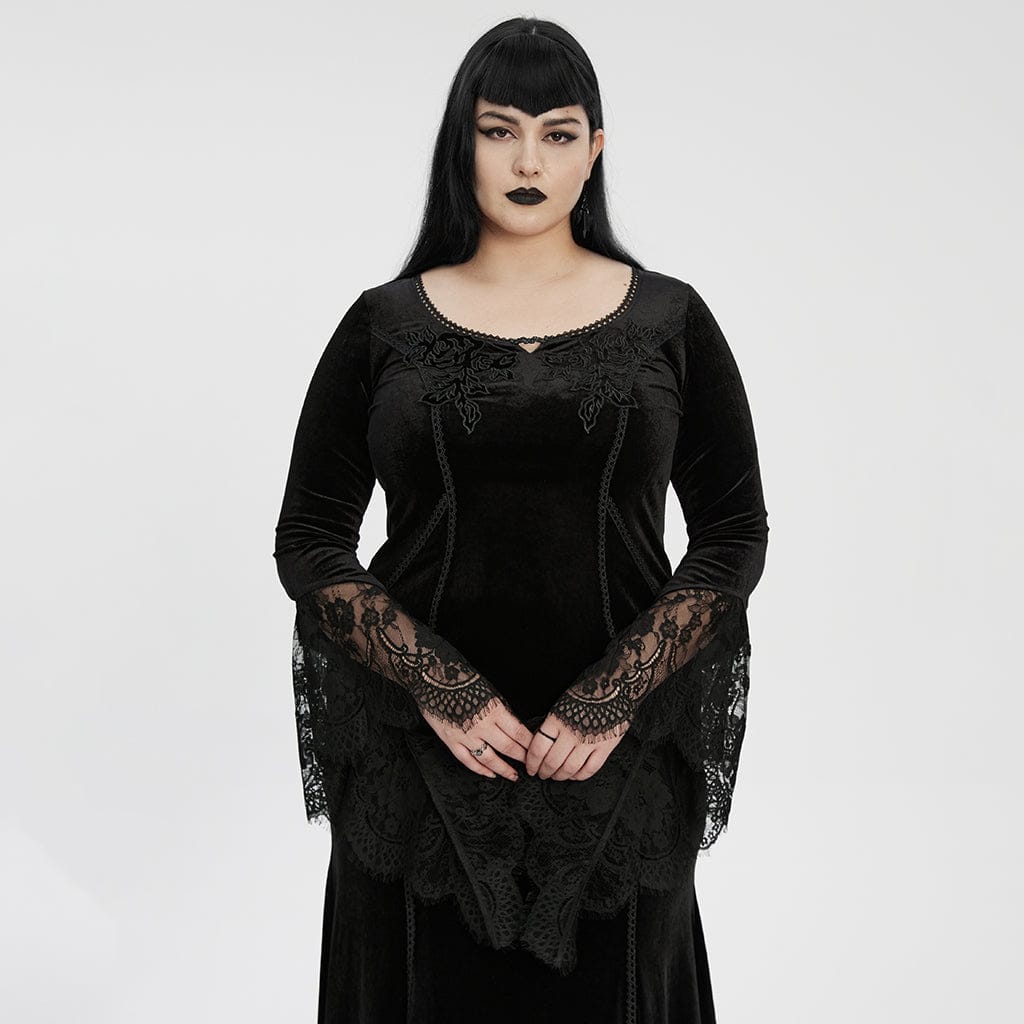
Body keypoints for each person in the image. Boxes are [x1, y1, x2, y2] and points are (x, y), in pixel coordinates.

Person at [272, 16, 769, 1024]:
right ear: (462, 145)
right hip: (418, 769)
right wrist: (437, 685)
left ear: (595, 148)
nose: (528, 161)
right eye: (499, 130)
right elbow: (311, 537)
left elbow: (732, 534)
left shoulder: (671, 320)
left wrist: (613, 697)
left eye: (557, 132)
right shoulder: (383, 324)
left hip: (618, 771)